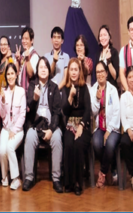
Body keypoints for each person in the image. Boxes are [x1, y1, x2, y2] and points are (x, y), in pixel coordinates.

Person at [23, 57, 63, 193]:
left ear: (48, 70)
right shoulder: (32, 85)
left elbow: (57, 112)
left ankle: (56, 179)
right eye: (41, 67)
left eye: (45, 67)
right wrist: (34, 99)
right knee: (29, 136)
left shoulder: (54, 87)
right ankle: (29, 177)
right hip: (36, 124)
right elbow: (29, 106)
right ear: (37, 70)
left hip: (50, 126)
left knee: (57, 138)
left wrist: (52, 129)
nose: (43, 69)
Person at [62, 58, 92, 196]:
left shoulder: (84, 87)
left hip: (82, 124)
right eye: (71, 70)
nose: (73, 72)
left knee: (78, 144)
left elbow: (88, 110)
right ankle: (69, 183)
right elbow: (65, 111)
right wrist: (70, 97)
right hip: (69, 123)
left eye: (76, 69)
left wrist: (81, 126)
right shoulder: (66, 88)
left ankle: (78, 182)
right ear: (68, 72)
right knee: (68, 144)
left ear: (79, 71)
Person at [90, 61, 121, 188]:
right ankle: (109, 167)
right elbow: (93, 112)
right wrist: (97, 99)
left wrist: (109, 130)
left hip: (113, 127)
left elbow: (117, 112)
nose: (100, 74)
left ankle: (102, 173)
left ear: (106, 73)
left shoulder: (113, 89)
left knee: (109, 143)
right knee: (96, 143)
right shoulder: (93, 90)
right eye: (97, 72)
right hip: (99, 127)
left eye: (102, 71)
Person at [0, 63, 25, 190]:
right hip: (5, 129)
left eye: (12, 73)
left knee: (9, 147)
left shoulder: (21, 91)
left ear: (16, 75)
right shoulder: (3, 92)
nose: (10, 76)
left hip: (18, 130)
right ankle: (5, 176)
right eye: (8, 74)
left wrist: (14, 130)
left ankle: (16, 178)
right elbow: (2, 114)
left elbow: (23, 115)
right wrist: (2, 101)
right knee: (1, 151)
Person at [120, 66, 133, 190]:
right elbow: (123, 117)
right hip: (129, 130)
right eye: (129, 77)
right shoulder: (124, 97)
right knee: (124, 143)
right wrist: (129, 131)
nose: (132, 80)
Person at [16, 27, 39, 94]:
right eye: (23, 38)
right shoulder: (22, 55)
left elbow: (31, 74)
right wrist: (17, 60)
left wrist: (28, 59)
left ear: (31, 40)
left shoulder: (34, 56)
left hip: (29, 94)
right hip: (20, 92)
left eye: (26, 39)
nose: (24, 41)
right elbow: (16, 74)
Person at [96, 25, 119, 89]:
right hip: (99, 88)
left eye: (105, 35)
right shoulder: (97, 53)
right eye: (101, 35)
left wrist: (109, 61)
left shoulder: (114, 52)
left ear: (109, 36)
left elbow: (115, 76)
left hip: (111, 89)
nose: (103, 37)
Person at [119, 16, 133, 92]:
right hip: (128, 92)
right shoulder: (123, 50)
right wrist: (128, 91)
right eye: (131, 30)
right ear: (128, 32)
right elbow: (121, 73)